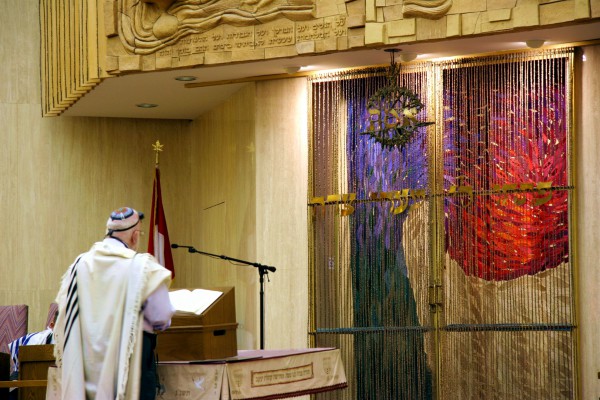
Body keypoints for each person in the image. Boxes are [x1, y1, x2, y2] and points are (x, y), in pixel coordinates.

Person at [53, 207, 175, 400]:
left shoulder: (79, 265)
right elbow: (161, 315)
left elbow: (65, 312)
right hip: (132, 363)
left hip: (84, 366)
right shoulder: (141, 267)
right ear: (135, 236)